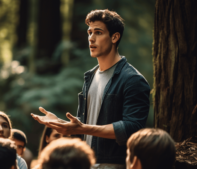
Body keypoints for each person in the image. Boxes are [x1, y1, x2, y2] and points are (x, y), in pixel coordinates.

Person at [31, 9, 150, 168]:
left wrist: (84, 128)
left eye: (98, 32)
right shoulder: (90, 76)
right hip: (86, 162)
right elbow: (88, 122)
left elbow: (132, 128)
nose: (91, 38)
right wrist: (61, 123)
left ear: (115, 37)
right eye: (89, 32)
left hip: (113, 164)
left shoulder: (133, 80)